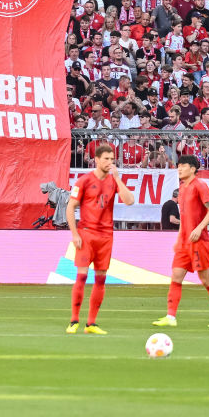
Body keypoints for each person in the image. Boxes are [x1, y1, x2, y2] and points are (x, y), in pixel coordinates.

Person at [66, 143, 134, 334]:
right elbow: (70, 207)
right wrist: (74, 234)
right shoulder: (84, 181)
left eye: (112, 159)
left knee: (101, 279)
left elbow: (129, 201)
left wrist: (118, 179)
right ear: (96, 159)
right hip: (87, 233)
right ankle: (74, 320)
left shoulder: (113, 181)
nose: (109, 162)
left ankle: (91, 323)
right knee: (81, 276)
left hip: (106, 236)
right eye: (106, 159)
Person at [153, 155, 209, 328]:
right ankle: (170, 317)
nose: (179, 169)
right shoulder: (182, 188)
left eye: (183, 166)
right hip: (184, 243)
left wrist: (199, 227)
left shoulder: (200, 186)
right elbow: (185, 216)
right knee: (176, 276)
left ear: (193, 168)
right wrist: (179, 238)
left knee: (206, 279)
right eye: (178, 166)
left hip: (199, 241)